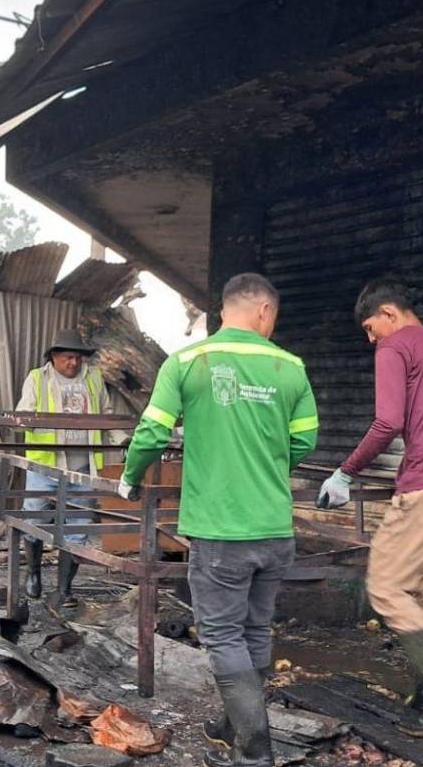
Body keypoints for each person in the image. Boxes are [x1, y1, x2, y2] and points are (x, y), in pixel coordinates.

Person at [119, 274, 318, 767]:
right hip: (274, 527)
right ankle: (232, 723)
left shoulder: (188, 362)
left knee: (224, 637)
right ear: (265, 312)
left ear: (227, 310)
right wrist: (265, 469)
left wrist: (129, 476)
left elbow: (152, 431)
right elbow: (305, 441)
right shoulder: (291, 367)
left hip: (220, 531)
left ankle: (254, 752)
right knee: (255, 629)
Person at [317, 279, 423, 738]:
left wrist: (345, 472)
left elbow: (388, 421)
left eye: (371, 328)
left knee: (388, 587)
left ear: (389, 314)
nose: (371, 339)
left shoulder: (395, 347)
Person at [16, 328, 115, 607]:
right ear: (54, 357)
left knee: (78, 528)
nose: (73, 363)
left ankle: (63, 589)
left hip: (83, 467)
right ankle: (33, 573)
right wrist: (29, 421)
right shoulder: (38, 378)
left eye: (78, 358)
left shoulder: (94, 378)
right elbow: (23, 413)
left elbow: (107, 416)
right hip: (44, 466)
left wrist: (123, 439)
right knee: (34, 520)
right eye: (68, 357)